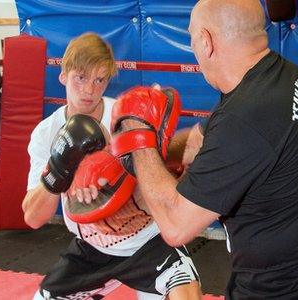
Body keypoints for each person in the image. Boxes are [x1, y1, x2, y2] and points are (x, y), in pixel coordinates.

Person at [108, 0, 298, 299]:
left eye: (193, 37)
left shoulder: (247, 116)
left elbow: (175, 226)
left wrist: (138, 137)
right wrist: (134, 160)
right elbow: (199, 141)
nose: (193, 48)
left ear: (207, 41)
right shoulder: (280, 74)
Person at [21, 32, 202, 300]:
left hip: (148, 240)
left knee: (186, 295)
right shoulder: (46, 133)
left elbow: (161, 178)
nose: (89, 90)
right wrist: (60, 170)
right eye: (80, 77)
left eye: (99, 79)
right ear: (63, 76)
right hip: (92, 247)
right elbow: (32, 218)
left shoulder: (126, 119)